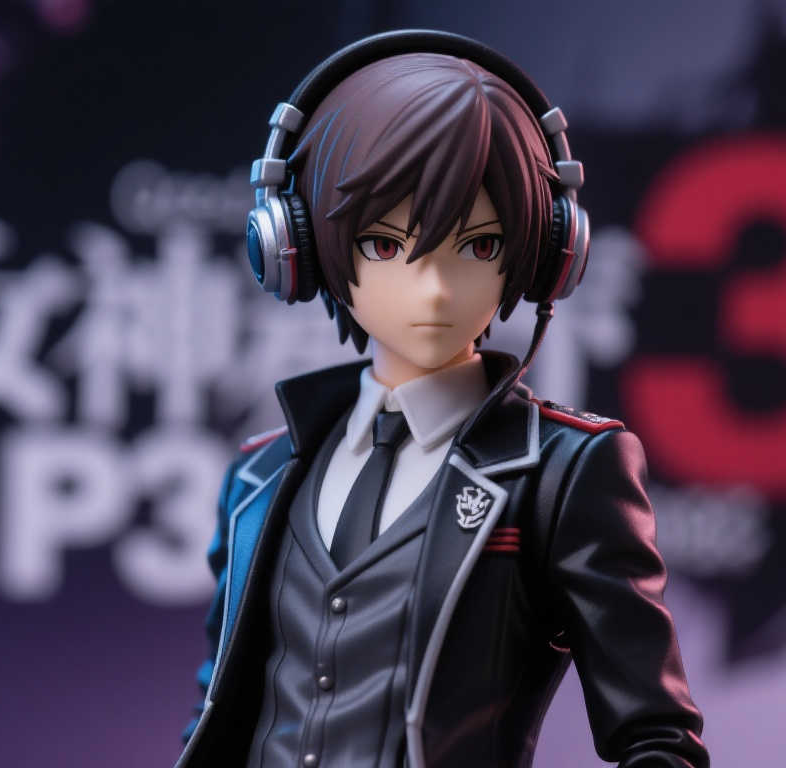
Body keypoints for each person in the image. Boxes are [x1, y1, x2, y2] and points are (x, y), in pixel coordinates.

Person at [177, 30, 708, 768]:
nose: (433, 289)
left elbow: (657, 737)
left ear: (544, 253)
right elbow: (219, 710)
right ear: (298, 247)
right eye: (386, 245)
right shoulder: (260, 476)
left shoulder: (561, 473)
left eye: (479, 246)